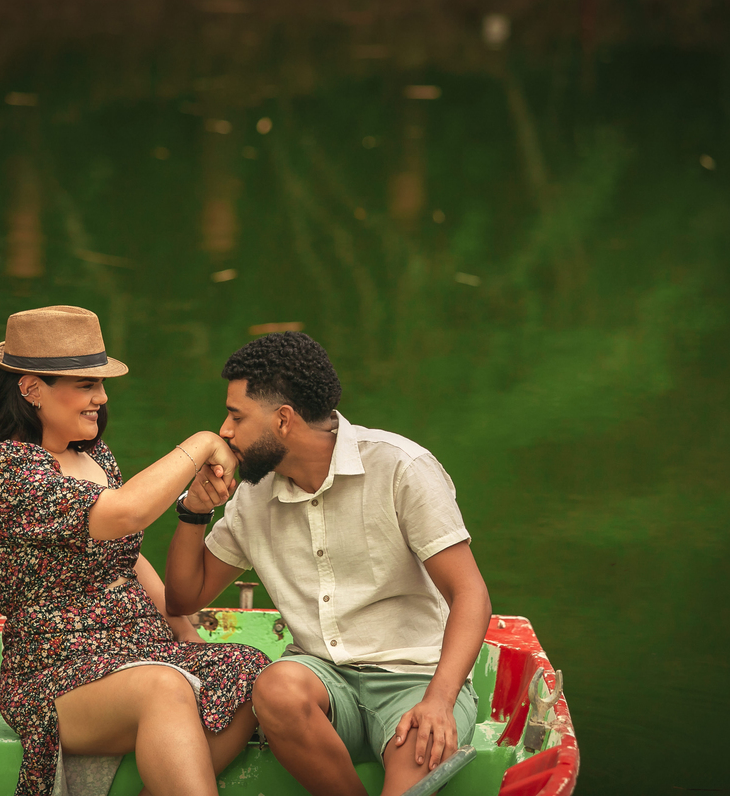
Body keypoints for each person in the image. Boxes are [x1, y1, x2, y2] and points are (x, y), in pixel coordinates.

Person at [165, 332, 492, 796]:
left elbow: (470, 594)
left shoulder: (401, 468)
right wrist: (195, 511)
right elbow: (183, 597)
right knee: (275, 688)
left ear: (283, 420)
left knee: (417, 756)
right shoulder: (252, 497)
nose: (224, 431)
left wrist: (440, 701)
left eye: (236, 416)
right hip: (322, 681)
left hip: (416, 679)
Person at [0, 305, 269, 796]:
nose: (101, 398)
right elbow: (127, 514)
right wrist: (205, 441)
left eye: (101, 385)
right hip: (54, 670)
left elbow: (126, 555)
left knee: (253, 673)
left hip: (139, 648)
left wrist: (186, 635)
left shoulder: (94, 455)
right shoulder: (11, 473)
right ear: (32, 388)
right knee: (163, 687)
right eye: (87, 385)